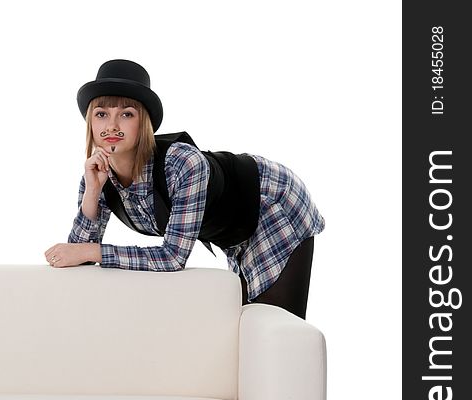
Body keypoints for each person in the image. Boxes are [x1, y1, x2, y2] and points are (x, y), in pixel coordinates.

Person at [44, 59, 324, 319]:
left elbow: (173, 257)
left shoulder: (182, 163)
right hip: (232, 231)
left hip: (272, 202)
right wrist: (92, 193)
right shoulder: (98, 176)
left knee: (273, 328)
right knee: (242, 327)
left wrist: (94, 251)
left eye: (127, 114)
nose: (112, 125)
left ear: (144, 124)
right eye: (102, 114)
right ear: (90, 123)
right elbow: (74, 257)